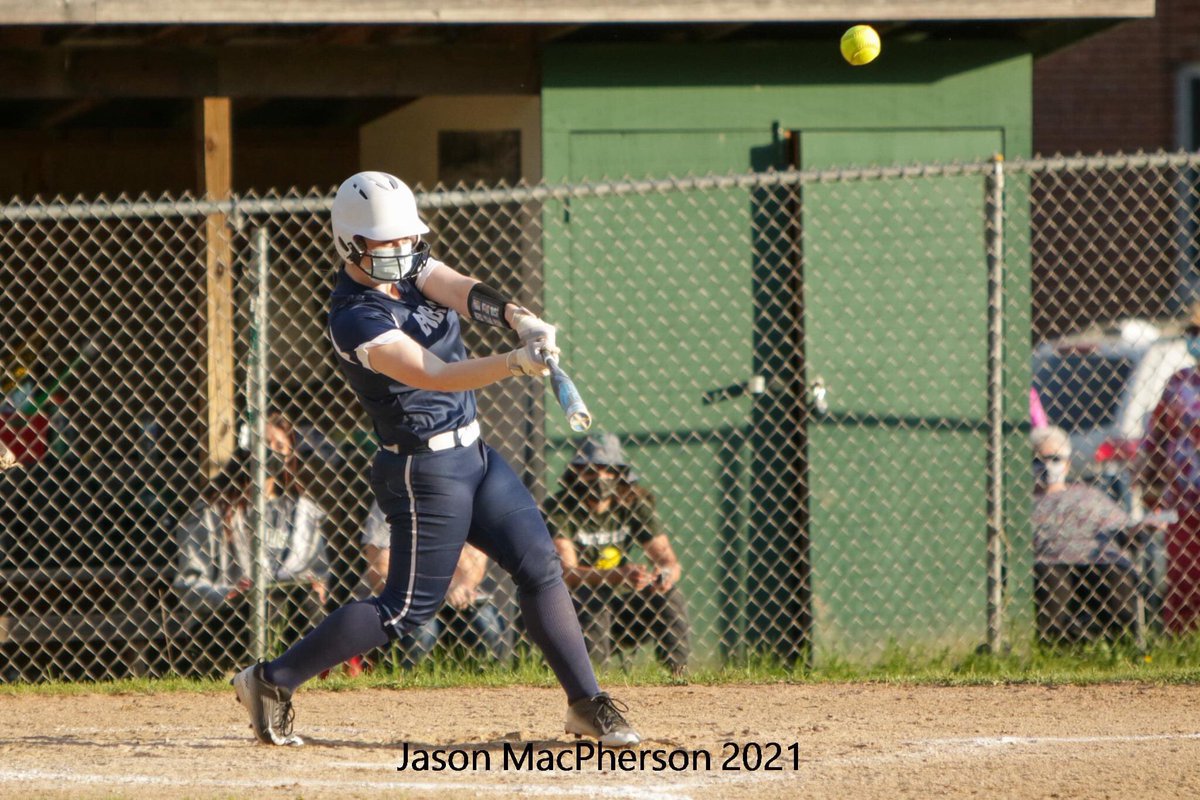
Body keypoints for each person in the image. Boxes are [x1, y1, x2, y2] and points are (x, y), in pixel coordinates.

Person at [232, 171, 639, 747]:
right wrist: (516, 362)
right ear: (351, 243)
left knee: (540, 565)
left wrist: (517, 317)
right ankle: (272, 680)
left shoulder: (408, 266)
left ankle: (586, 702)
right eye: (386, 242)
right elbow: (437, 376)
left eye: (406, 239)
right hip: (422, 471)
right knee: (405, 610)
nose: (402, 251)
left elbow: (458, 287)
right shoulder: (355, 316)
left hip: (474, 455)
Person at [174, 413, 330, 674]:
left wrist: (316, 584)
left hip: (287, 610)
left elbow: (320, 574)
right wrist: (228, 593)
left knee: (299, 600)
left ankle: (306, 675)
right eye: (264, 445)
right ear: (247, 448)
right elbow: (187, 583)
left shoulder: (301, 513)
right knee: (265, 601)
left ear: (290, 456)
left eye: (280, 448)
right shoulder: (211, 512)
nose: (271, 454)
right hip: (226, 619)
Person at [547, 433, 690, 676]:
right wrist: (617, 575)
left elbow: (669, 561)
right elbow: (568, 573)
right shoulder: (560, 508)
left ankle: (678, 675)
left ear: (620, 474)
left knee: (670, 596)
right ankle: (592, 683)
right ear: (577, 473)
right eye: (591, 470)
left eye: (608, 470)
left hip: (625, 609)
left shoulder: (634, 503)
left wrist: (665, 575)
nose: (601, 478)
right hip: (576, 608)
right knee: (590, 597)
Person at [1032, 425, 1151, 645]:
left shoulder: (1089, 494)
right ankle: (1059, 649)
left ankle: (1125, 646)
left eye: (1055, 459)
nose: (1047, 466)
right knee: (1050, 582)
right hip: (1052, 560)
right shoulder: (1025, 504)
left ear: (1067, 464)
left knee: (1117, 575)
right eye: (1038, 459)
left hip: (1100, 557)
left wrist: (1139, 529)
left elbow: (1121, 527)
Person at [360, 501, 508, 668]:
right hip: (408, 596)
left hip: (454, 594)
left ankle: (480, 683)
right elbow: (379, 570)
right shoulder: (391, 497)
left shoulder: (465, 498)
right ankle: (405, 682)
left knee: (486, 623)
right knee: (423, 632)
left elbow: (474, 568)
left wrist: (441, 531)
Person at [1139, 301, 1200, 634]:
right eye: (1192, 332)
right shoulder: (1180, 382)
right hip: (1185, 497)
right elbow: (1155, 436)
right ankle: (1184, 642)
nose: (1195, 339)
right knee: (1183, 577)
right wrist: (1147, 477)